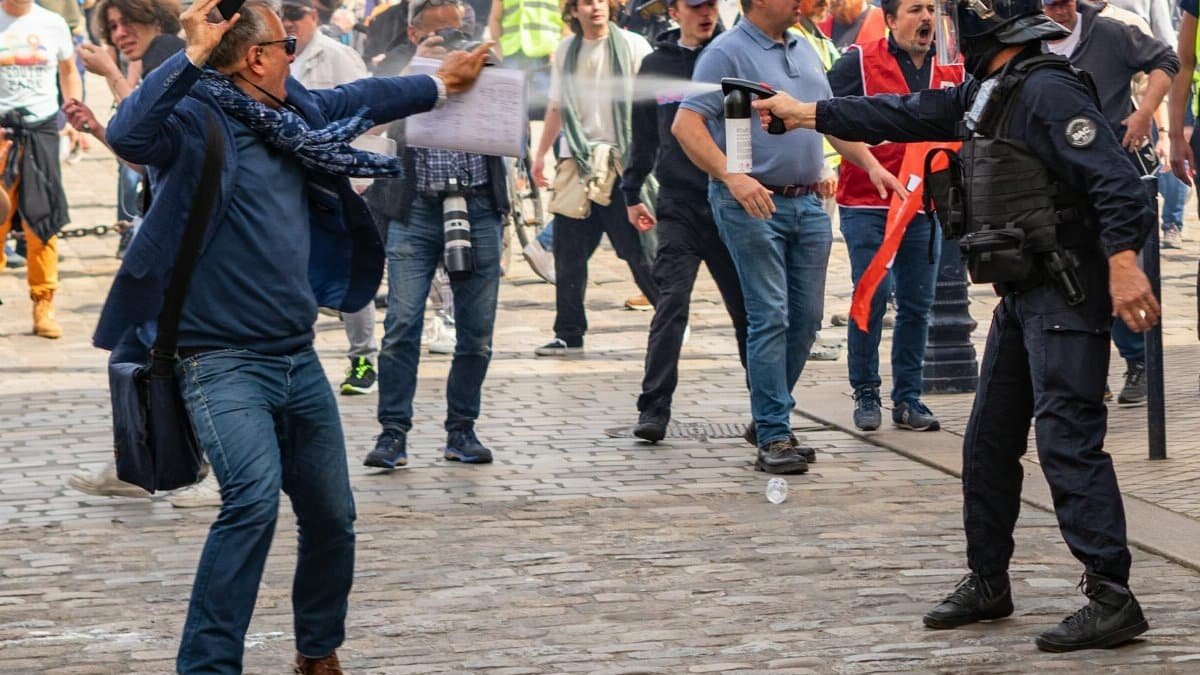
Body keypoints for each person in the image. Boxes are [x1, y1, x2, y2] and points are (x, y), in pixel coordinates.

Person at [94, 0, 489, 671]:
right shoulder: (193, 119)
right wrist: (191, 54)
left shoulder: (289, 115)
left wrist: (438, 81)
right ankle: (208, 664)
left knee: (332, 514)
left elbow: (358, 94)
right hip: (216, 357)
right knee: (251, 502)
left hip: (295, 355)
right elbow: (128, 134)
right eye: (285, 44)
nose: (295, 52)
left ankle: (316, 649)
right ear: (256, 57)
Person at [753, 0, 1160, 652]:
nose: (946, 33)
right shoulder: (987, 90)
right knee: (988, 443)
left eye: (953, 18)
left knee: (1067, 444)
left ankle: (1113, 596)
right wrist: (804, 113)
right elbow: (902, 113)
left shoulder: (1048, 91)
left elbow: (1119, 184)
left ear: (987, 19)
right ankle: (989, 579)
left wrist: (1122, 267)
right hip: (1024, 299)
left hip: (1065, 295)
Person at [673, 0, 903, 474]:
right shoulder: (726, 52)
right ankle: (775, 435)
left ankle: (768, 412)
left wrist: (872, 165)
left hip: (808, 204)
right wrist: (733, 177)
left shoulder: (803, 48)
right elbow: (686, 124)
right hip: (752, 204)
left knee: (808, 317)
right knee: (771, 314)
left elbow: (826, 120)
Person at [362, 0, 510, 469]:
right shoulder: (397, 70)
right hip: (415, 210)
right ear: (413, 32)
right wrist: (419, 69)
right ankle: (392, 435)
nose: (453, 42)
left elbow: (513, 118)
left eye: (459, 31)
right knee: (402, 325)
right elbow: (371, 124)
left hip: (479, 203)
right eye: (440, 34)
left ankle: (462, 431)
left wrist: (490, 69)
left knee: (477, 333)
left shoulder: (484, 64)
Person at [828, 0, 963, 432]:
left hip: (925, 204)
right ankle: (866, 390)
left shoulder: (954, 65)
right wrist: (869, 163)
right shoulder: (859, 63)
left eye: (930, 9)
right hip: (867, 202)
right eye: (913, 9)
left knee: (917, 305)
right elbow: (827, 118)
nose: (925, 18)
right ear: (889, 19)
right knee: (870, 293)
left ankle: (908, 398)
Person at [621, 0, 748, 442]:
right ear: (675, 11)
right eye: (695, 5)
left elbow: (748, 127)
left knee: (747, 310)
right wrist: (632, 190)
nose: (705, 12)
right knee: (671, 304)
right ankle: (654, 409)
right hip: (678, 204)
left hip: (730, 200)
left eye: (710, 4)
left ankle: (766, 411)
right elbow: (642, 134)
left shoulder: (733, 54)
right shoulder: (657, 64)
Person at [1044, 0, 1178, 407]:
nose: (1060, 12)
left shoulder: (1111, 33)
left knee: (1117, 269)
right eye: (1050, 5)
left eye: (1065, 3)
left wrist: (1145, 115)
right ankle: (1088, 372)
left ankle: (1136, 361)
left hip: (1112, 177)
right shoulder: (1030, 40)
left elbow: (1167, 61)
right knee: (1069, 277)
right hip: (1058, 180)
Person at [530, 0, 658, 357]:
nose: (595, 8)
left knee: (638, 252)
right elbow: (556, 106)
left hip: (623, 165)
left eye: (602, 0)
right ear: (574, 10)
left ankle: (671, 317)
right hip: (578, 163)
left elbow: (652, 106)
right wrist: (540, 155)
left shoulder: (634, 46)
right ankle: (568, 333)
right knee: (569, 253)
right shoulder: (567, 50)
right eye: (586, 2)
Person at [281, 0, 384, 397]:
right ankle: (297, 359)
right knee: (291, 273)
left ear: (315, 16)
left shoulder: (339, 57)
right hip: (290, 185)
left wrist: (357, 173)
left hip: (337, 182)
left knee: (349, 274)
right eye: (283, 16)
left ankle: (363, 358)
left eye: (296, 15)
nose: (289, 23)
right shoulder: (273, 56)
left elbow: (367, 112)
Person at [0, 0, 82, 339]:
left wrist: (74, 115)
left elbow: (68, 70)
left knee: (42, 221)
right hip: (1, 129)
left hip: (41, 129)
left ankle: (43, 303)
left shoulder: (53, 23)